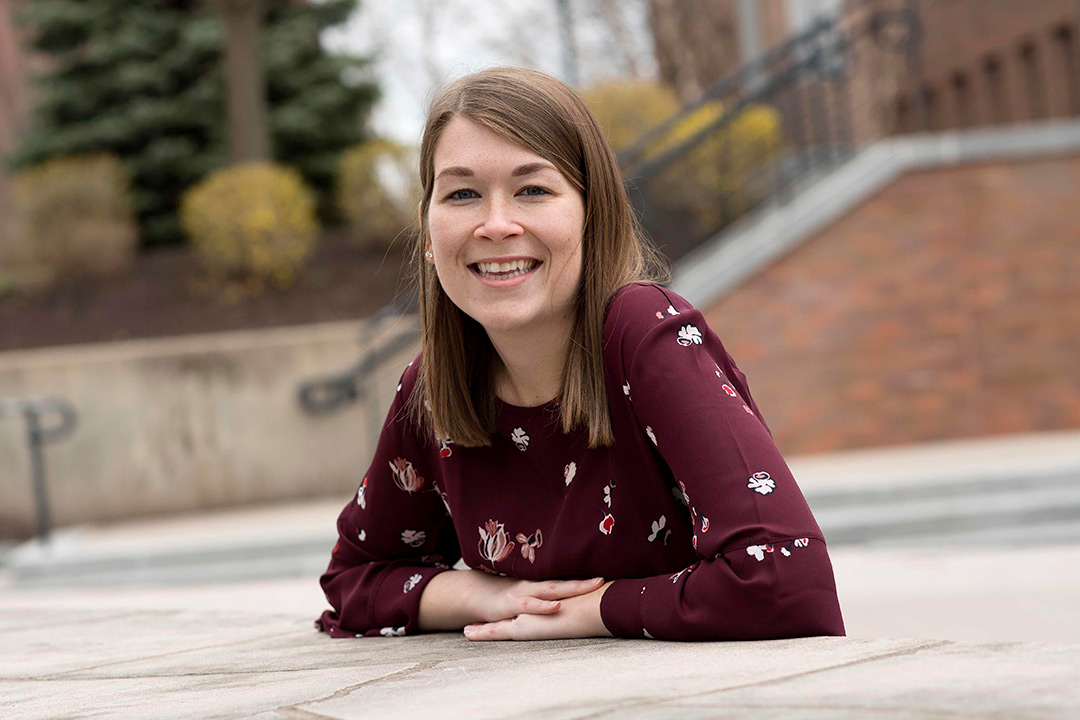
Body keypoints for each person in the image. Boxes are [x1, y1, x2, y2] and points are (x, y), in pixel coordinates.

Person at [316, 67, 845, 642]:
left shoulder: (644, 334)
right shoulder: (433, 386)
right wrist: (487, 595)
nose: (496, 225)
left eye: (533, 190)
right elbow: (354, 579)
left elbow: (785, 577)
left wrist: (587, 613)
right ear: (427, 230)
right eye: (462, 193)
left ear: (593, 214)